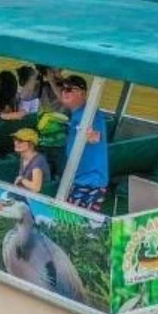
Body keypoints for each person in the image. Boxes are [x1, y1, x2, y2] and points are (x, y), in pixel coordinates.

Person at [58, 74, 109, 211]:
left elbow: (95, 136)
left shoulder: (91, 115)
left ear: (82, 93)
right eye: (63, 88)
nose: (64, 91)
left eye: (69, 89)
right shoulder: (77, 114)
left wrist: (93, 136)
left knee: (79, 225)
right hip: (77, 179)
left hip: (90, 182)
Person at [12, 128, 51, 194]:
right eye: (15, 139)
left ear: (31, 144)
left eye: (20, 140)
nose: (16, 143)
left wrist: (21, 179)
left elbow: (36, 188)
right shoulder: (23, 157)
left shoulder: (38, 161)